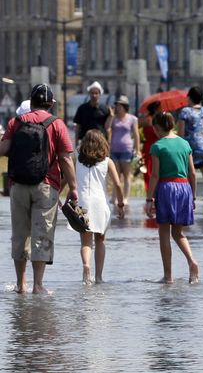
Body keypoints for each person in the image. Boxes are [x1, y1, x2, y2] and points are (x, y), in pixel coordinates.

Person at [0, 84, 78, 294]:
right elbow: (65, 159)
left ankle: (20, 284)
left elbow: (3, 149)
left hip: (17, 185)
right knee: (41, 233)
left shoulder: (15, 122)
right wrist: (73, 187)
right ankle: (38, 285)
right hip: (46, 185)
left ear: (31, 101)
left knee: (20, 234)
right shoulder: (57, 124)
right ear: (51, 104)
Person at [145, 112, 200, 284]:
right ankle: (192, 261)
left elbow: (155, 175)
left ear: (157, 127)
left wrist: (149, 199)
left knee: (164, 233)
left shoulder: (157, 146)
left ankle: (168, 276)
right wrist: (194, 196)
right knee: (178, 232)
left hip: (166, 188)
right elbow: (192, 173)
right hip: (184, 188)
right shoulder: (185, 144)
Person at [74, 129, 125, 284]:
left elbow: (67, 179)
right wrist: (121, 204)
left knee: (85, 242)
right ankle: (99, 276)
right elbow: (117, 183)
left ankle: (86, 266)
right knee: (101, 240)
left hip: (81, 204)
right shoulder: (107, 161)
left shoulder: (76, 158)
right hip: (100, 204)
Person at [177, 87, 203, 217]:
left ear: (189, 97)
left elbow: (181, 133)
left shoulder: (185, 112)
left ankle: (187, 209)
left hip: (192, 149)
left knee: (189, 178)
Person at [105, 95, 139, 204]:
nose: (118, 108)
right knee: (116, 174)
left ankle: (126, 198)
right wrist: (111, 116)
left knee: (126, 174)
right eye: (117, 106)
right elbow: (107, 128)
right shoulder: (113, 118)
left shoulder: (132, 118)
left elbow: (136, 134)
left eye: (120, 106)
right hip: (114, 149)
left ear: (125, 107)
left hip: (126, 148)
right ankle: (114, 197)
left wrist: (137, 149)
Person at [139, 100, 161, 194]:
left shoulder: (146, 119)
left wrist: (141, 139)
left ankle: (150, 192)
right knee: (155, 170)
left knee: (149, 171)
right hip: (157, 146)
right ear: (156, 109)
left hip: (148, 146)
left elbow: (135, 130)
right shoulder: (155, 120)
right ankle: (155, 192)